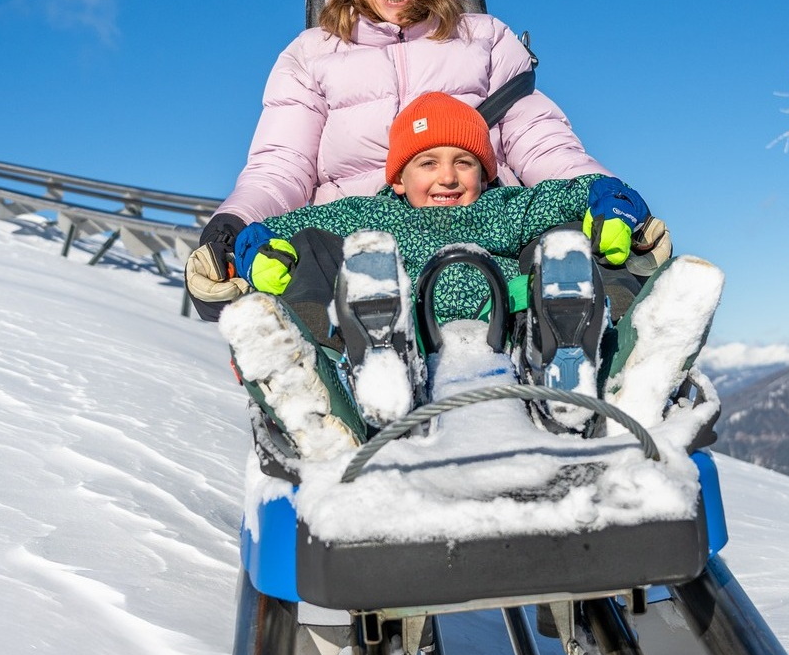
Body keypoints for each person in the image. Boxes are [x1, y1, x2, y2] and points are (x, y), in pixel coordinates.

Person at [184, 0, 671, 321]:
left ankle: (623, 356)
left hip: (486, 228)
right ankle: (315, 376)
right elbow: (280, 164)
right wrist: (234, 224)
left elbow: (542, 143)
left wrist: (604, 194)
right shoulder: (311, 56)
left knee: (567, 242)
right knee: (305, 261)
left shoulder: (485, 40)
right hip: (357, 241)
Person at [217, 93, 722, 460]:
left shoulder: (501, 208)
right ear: (396, 176)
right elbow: (287, 227)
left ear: (484, 173)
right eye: (428, 163)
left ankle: (615, 374)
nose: (448, 177)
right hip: (409, 333)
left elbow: (573, 193)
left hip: (514, 334)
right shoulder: (370, 217)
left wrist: (610, 202)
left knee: (567, 247)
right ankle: (344, 393)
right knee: (341, 263)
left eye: (464, 162)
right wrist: (259, 246)